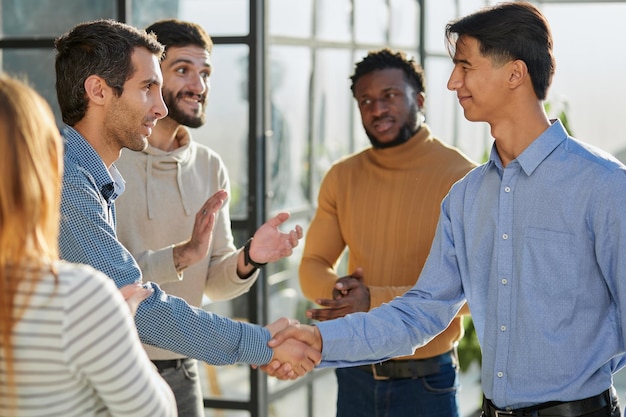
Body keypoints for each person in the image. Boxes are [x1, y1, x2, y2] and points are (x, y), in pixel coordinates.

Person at [270, 2, 626, 416]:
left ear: (515, 73)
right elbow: (421, 312)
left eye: (465, 66)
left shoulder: (602, 185)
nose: (453, 82)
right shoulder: (465, 196)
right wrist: (321, 340)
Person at [54, 18, 319, 382]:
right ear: (98, 91)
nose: (160, 106)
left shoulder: (97, 175)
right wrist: (263, 343)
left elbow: (202, 282)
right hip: (109, 373)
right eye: (148, 87)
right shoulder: (70, 179)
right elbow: (132, 302)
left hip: (171, 366)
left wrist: (249, 257)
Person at [113, 19, 303, 416]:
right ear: (147, 77)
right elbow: (110, 281)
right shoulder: (110, 161)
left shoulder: (210, 166)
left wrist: (251, 257)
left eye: (205, 73)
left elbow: (214, 282)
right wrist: (180, 255)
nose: (198, 86)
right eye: (182, 70)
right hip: (116, 368)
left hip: (184, 367)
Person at [298, 48, 476, 417]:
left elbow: (479, 292)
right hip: (355, 373)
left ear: (420, 100)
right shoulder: (342, 177)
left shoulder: (463, 178)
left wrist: (373, 300)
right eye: (366, 100)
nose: (377, 109)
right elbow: (312, 264)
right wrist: (342, 294)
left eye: (390, 96)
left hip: (426, 380)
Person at [0, 74, 176, 417]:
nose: (160, 106)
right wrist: (119, 329)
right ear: (46, 165)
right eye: (146, 87)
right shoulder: (76, 297)